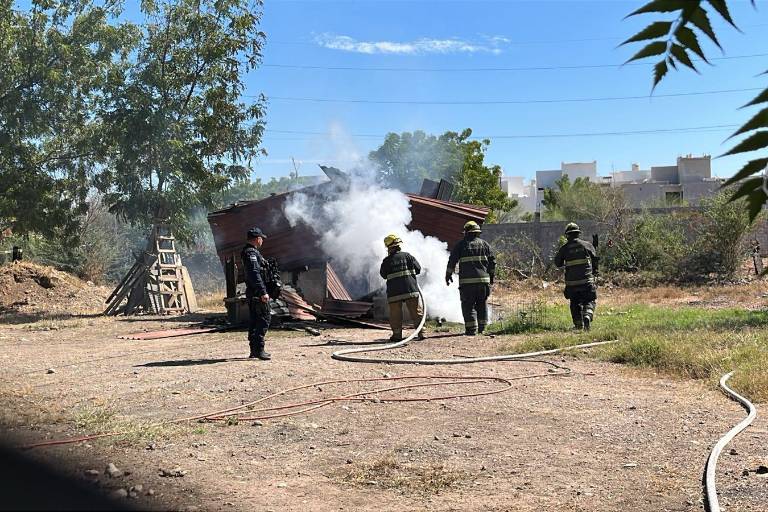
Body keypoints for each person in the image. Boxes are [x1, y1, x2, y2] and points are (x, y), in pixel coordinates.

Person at [445, 221, 496, 336]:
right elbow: (492, 263)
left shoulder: (461, 245)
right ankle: (482, 329)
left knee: (468, 305)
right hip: (483, 282)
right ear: (477, 233)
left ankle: (471, 330)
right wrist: (491, 277)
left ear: (466, 233)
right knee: (482, 304)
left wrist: (448, 275)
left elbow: (452, 261)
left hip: (467, 283)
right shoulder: (485, 245)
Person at [379, 234, 425, 342]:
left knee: (395, 314)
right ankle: (421, 333)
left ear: (389, 247)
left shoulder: (386, 261)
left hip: (394, 293)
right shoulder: (408, 256)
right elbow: (418, 269)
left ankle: (397, 336)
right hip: (410, 289)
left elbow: (383, 275)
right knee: (416, 312)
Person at [554, 222, 599, 331]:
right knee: (589, 300)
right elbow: (595, 259)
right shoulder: (587, 245)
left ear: (567, 235)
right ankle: (587, 316)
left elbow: (557, 263)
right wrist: (594, 272)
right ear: (578, 234)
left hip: (572, 283)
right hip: (587, 281)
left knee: (575, 303)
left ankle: (578, 325)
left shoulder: (564, 248)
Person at [241, 227, 271, 360]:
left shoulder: (250, 252)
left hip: (253, 292)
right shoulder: (251, 253)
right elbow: (254, 274)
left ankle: (255, 350)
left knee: (255, 320)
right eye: (261, 238)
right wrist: (262, 292)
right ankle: (259, 350)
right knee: (263, 319)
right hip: (256, 293)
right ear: (257, 239)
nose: (262, 241)